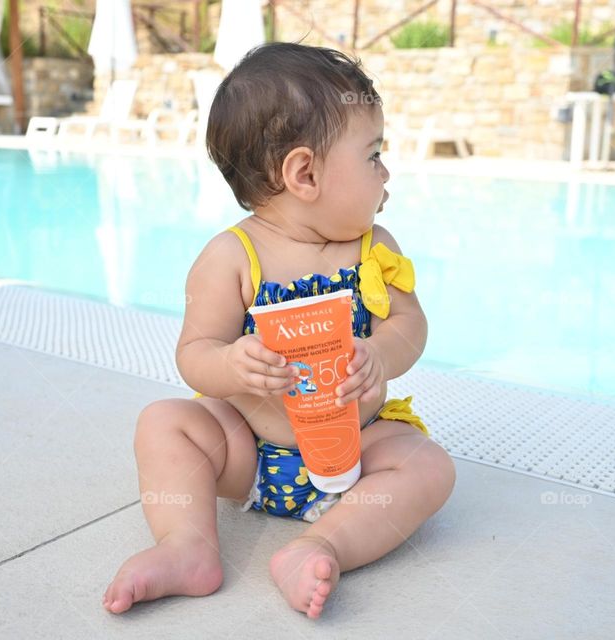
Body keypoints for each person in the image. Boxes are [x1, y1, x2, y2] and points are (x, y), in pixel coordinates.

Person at [102, 42, 456, 619]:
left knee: (429, 466)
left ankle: (322, 545)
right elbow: (194, 354)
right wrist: (231, 365)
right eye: (373, 155)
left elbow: (411, 324)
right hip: (250, 452)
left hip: (358, 448)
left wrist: (380, 354)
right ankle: (187, 546)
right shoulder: (232, 258)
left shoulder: (375, 248)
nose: (387, 172)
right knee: (165, 422)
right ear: (304, 173)